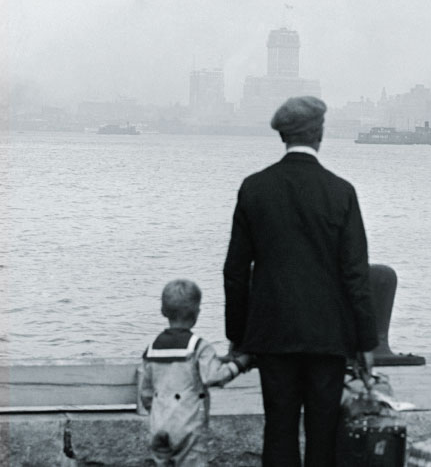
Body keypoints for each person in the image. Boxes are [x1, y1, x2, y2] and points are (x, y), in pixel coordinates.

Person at [223, 96, 377, 467]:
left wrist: (238, 335)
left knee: (279, 429)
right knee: (324, 433)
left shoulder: (254, 188)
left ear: (283, 137)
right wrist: (366, 340)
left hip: (273, 333)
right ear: (319, 134)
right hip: (328, 336)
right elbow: (356, 273)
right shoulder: (341, 192)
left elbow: (235, 271)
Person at [137, 279, 253, 467]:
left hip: (159, 424)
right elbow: (213, 376)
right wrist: (239, 364)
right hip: (188, 425)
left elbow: (146, 392)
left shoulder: (152, 349)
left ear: (163, 311)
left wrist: (156, 411)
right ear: (197, 313)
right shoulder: (199, 347)